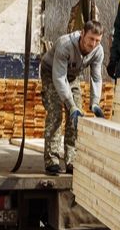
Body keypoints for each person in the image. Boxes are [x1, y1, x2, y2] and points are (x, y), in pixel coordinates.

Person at [40, 20, 105, 175]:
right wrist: (70, 104)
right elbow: (59, 78)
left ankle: (71, 160)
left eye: (97, 40)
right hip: (52, 73)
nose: (93, 44)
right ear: (82, 34)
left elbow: (96, 78)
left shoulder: (98, 51)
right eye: (91, 39)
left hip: (72, 77)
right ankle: (52, 161)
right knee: (56, 113)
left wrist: (95, 102)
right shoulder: (65, 45)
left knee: (76, 117)